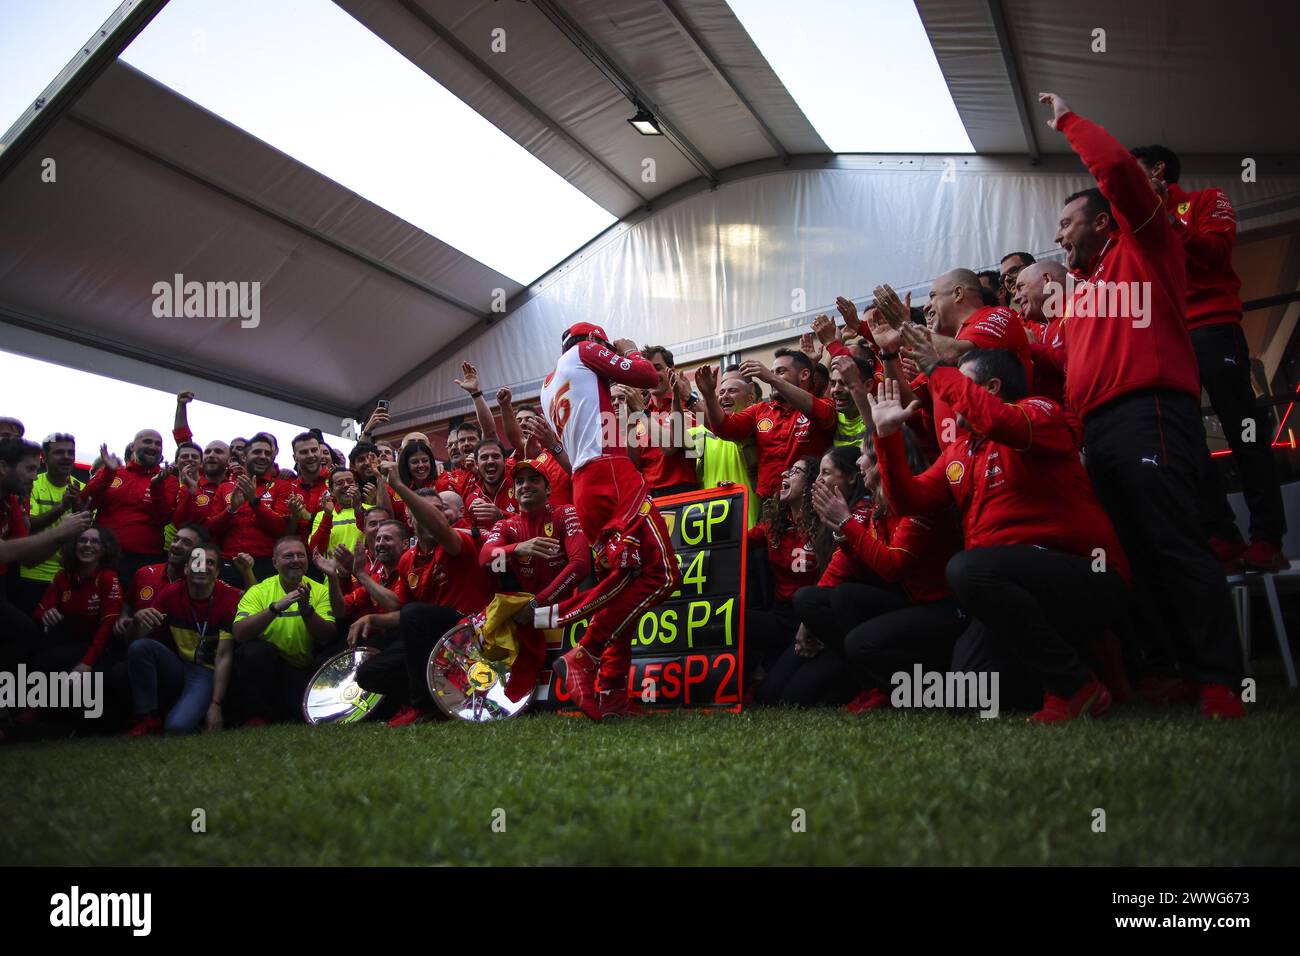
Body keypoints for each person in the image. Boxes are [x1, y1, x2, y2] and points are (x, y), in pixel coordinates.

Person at [1032, 93, 1245, 718]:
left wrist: (1071, 123)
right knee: (1137, 555)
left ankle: (1221, 680)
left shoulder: (1144, 247)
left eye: (1068, 222)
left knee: (1173, 540)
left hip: (1149, 413)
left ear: (1105, 222)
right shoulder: (1086, 292)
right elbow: (1057, 355)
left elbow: (1121, 176)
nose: (1057, 234)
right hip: (1100, 430)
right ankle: (1182, 669)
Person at [871, 348, 1135, 722]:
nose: (947, 396)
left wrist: (938, 370)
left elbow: (998, 421)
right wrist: (887, 436)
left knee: (966, 569)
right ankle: (1078, 670)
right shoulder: (960, 451)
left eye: (960, 384)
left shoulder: (1040, 411)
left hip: (1086, 574)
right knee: (965, 697)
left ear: (992, 387)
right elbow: (908, 500)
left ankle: (1076, 687)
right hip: (1004, 587)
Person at [1133, 142, 1287, 572]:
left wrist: (1167, 219)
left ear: (1159, 170)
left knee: (1244, 429)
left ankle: (1267, 538)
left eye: (1133, 173)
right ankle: (1221, 533)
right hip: (1168, 340)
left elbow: (1216, 256)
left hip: (1213, 328)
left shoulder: (1206, 201)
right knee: (1184, 438)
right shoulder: (1134, 227)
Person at [536, 323, 682, 720]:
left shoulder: (547, 386)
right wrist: (631, 352)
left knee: (624, 586)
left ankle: (612, 693)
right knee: (663, 574)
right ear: (595, 344)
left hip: (586, 484)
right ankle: (586, 653)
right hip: (611, 476)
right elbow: (648, 375)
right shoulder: (585, 353)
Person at [367, 471, 498, 725]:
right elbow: (399, 608)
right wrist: (373, 618)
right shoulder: (408, 559)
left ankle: (424, 707)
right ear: (410, 516)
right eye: (425, 510)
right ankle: (432, 700)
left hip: (470, 632)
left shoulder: (459, 539)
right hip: (433, 640)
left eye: (439, 510)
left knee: (415, 615)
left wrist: (399, 486)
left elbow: (438, 528)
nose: (434, 515)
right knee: (369, 673)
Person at [123, 540, 240, 735]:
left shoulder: (229, 598)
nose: (202, 567)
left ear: (218, 572)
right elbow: (131, 643)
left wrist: (215, 705)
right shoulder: (170, 594)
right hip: (179, 665)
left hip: (207, 672)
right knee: (141, 647)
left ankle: (194, 714)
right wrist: (136, 622)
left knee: (176, 728)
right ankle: (147, 717)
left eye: (209, 563)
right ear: (185, 569)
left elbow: (224, 656)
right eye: (196, 561)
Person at [0, 438, 93, 677]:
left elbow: (28, 557)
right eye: (30, 469)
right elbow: (4, 552)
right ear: (3, 467)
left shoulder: (10, 501)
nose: (34, 476)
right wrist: (60, 530)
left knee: (25, 633)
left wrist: (65, 536)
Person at [697, 347, 836, 501]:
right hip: (769, 505)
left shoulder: (823, 404)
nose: (770, 377)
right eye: (772, 371)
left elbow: (821, 413)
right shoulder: (760, 411)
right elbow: (724, 428)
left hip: (810, 501)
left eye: (780, 371)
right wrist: (708, 395)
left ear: (804, 375)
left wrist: (771, 377)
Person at [231, 535, 337, 724]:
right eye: (288, 556)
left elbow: (327, 636)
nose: (296, 560)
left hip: (304, 669)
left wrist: (307, 611)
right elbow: (239, 633)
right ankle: (256, 718)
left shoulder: (320, 591)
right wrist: (275, 608)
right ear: (274, 562)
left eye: (300, 555)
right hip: (271, 668)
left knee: (297, 715)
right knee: (252, 652)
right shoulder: (259, 591)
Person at [744, 456, 824, 682]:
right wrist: (726, 502)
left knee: (788, 694)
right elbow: (739, 542)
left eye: (795, 472)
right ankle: (756, 669)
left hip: (812, 617)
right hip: (781, 616)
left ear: (810, 485)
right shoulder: (775, 526)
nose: (784, 475)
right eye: (786, 471)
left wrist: (810, 624)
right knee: (730, 619)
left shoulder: (824, 525)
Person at [479, 459, 590, 609]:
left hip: (565, 610)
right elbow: (485, 557)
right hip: (529, 613)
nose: (525, 485)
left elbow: (581, 565)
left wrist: (537, 603)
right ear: (515, 492)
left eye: (534, 479)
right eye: (520, 482)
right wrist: (518, 548)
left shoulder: (565, 513)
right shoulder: (505, 526)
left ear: (548, 489)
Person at [80, 428, 176, 587]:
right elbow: (85, 503)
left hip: (144, 559)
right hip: (103, 555)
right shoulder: (112, 471)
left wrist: (157, 486)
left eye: (158, 444)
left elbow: (163, 518)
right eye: (147, 441)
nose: (153, 446)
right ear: (132, 447)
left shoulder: (169, 480)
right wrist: (107, 474)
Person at [31, 525, 124, 679]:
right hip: (66, 637)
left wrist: (87, 663)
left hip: (95, 643)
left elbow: (108, 624)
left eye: (95, 541)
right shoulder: (64, 575)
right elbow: (39, 610)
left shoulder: (108, 578)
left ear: (104, 549)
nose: (88, 545)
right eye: (83, 540)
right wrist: (46, 614)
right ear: (74, 546)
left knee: (51, 662)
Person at [206, 433, 293, 586]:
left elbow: (280, 528)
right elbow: (211, 529)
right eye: (257, 452)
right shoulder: (226, 487)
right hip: (229, 562)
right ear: (244, 457)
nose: (263, 456)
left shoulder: (282, 486)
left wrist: (254, 501)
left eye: (267, 453)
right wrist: (231, 509)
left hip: (266, 564)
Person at [17, 432, 84, 614]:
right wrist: (62, 507)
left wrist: (78, 505)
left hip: (69, 577)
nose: (66, 457)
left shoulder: (83, 489)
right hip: (32, 574)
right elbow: (28, 527)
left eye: (71, 452)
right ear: (44, 457)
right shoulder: (32, 485)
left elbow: (88, 533)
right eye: (59, 452)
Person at [686, 370, 761, 528]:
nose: (725, 396)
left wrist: (693, 397)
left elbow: (725, 427)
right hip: (710, 530)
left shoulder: (755, 428)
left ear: (751, 398)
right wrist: (674, 398)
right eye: (721, 392)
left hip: (748, 527)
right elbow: (668, 445)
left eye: (732, 391)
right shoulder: (700, 434)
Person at [634, 346, 700, 497]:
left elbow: (674, 446)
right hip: (648, 497)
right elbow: (634, 465)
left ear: (671, 370)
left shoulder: (688, 406)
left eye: (657, 367)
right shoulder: (637, 414)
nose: (652, 374)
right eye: (647, 369)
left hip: (682, 493)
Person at [1012, 260, 1070, 404]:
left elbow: (1080, 367)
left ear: (1047, 281)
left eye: (1021, 287)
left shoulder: (1082, 310)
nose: (1016, 297)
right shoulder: (1051, 325)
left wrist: (1034, 348)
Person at [464, 439, 518, 532]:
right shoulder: (471, 499)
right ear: (476, 464)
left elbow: (532, 523)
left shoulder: (519, 487)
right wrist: (472, 523)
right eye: (484, 457)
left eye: (495, 456)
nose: (490, 461)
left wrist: (501, 516)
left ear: (505, 461)